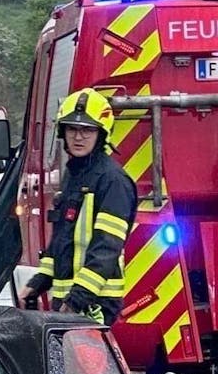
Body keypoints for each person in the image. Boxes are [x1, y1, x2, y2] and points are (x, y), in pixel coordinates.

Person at [19, 88, 138, 326]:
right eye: (72, 129)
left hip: (94, 302)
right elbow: (62, 240)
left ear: (101, 134)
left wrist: (78, 300)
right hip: (69, 300)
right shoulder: (74, 175)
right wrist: (38, 282)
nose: (78, 137)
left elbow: (106, 248)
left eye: (87, 130)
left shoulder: (112, 180)